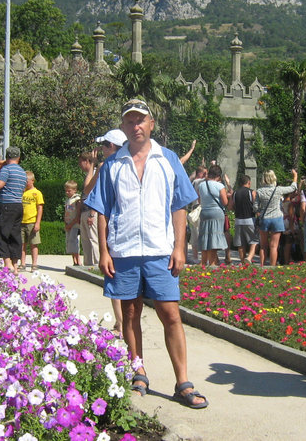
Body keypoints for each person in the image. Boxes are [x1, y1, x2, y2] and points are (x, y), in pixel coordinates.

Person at [85, 98, 207, 409]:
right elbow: (102, 210)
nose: (136, 126)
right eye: (130, 121)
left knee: (171, 315)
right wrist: (104, 252)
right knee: (129, 314)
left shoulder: (168, 160)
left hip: (159, 251)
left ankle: (183, 382)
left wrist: (180, 247)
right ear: (123, 127)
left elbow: (179, 205)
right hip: (124, 251)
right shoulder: (112, 164)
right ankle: (138, 371)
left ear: (151, 124)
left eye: (141, 120)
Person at [85, 129, 128, 336]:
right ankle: (124, 323)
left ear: (112, 147)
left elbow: (87, 190)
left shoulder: (105, 166)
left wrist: (91, 167)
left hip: (112, 226)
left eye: (104, 146)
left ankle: (120, 324)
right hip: (125, 227)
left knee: (114, 277)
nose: (101, 150)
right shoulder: (131, 164)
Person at [0, 146, 27, 275]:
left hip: (6, 204)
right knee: (15, 235)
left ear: (7, 157)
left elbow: (0, 184)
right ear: (19, 158)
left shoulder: (6, 169)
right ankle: (15, 266)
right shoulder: (22, 172)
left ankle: (7, 264)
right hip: (18, 205)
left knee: (0, 234)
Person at [254, 169, 298, 267]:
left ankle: (262, 266)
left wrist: (260, 212)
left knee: (263, 246)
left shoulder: (259, 191)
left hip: (264, 218)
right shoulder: (278, 189)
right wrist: (295, 176)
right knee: (274, 246)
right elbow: (292, 187)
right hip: (276, 218)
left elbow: (255, 207)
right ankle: (272, 267)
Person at [197, 164, 230, 267]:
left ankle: (203, 262)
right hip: (217, 213)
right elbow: (225, 202)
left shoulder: (201, 185)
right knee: (214, 237)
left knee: (205, 237)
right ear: (218, 176)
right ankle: (212, 263)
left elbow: (199, 200)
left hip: (205, 212)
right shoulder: (220, 186)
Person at [21, 171, 45, 272]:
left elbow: (40, 208)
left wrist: (37, 223)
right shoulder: (22, 192)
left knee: (33, 244)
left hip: (32, 222)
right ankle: (22, 263)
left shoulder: (37, 193)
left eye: (26, 181)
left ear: (32, 181)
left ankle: (34, 264)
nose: (25, 183)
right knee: (21, 244)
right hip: (21, 222)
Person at [233, 174, 259, 265]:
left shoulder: (235, 193)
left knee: (241, 243)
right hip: (250, 219)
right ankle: (249, 257)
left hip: (238, 220)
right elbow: (256, 206)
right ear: (249, 182)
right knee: (254, 240)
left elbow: (231, 206)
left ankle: (242, 261)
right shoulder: (251, 192)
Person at [63, 180, 82, 267]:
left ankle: (78, 261)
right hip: (68, 224)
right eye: (66, 190)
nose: (67, 192)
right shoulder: (68, 200)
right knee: (69, 243)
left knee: (75, 243)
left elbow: (78, 215)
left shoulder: (77, 200)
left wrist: (71, 224)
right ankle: (74, 261)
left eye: (69, 191)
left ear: (75, 190)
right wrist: (66, 224)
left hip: (75, 225)